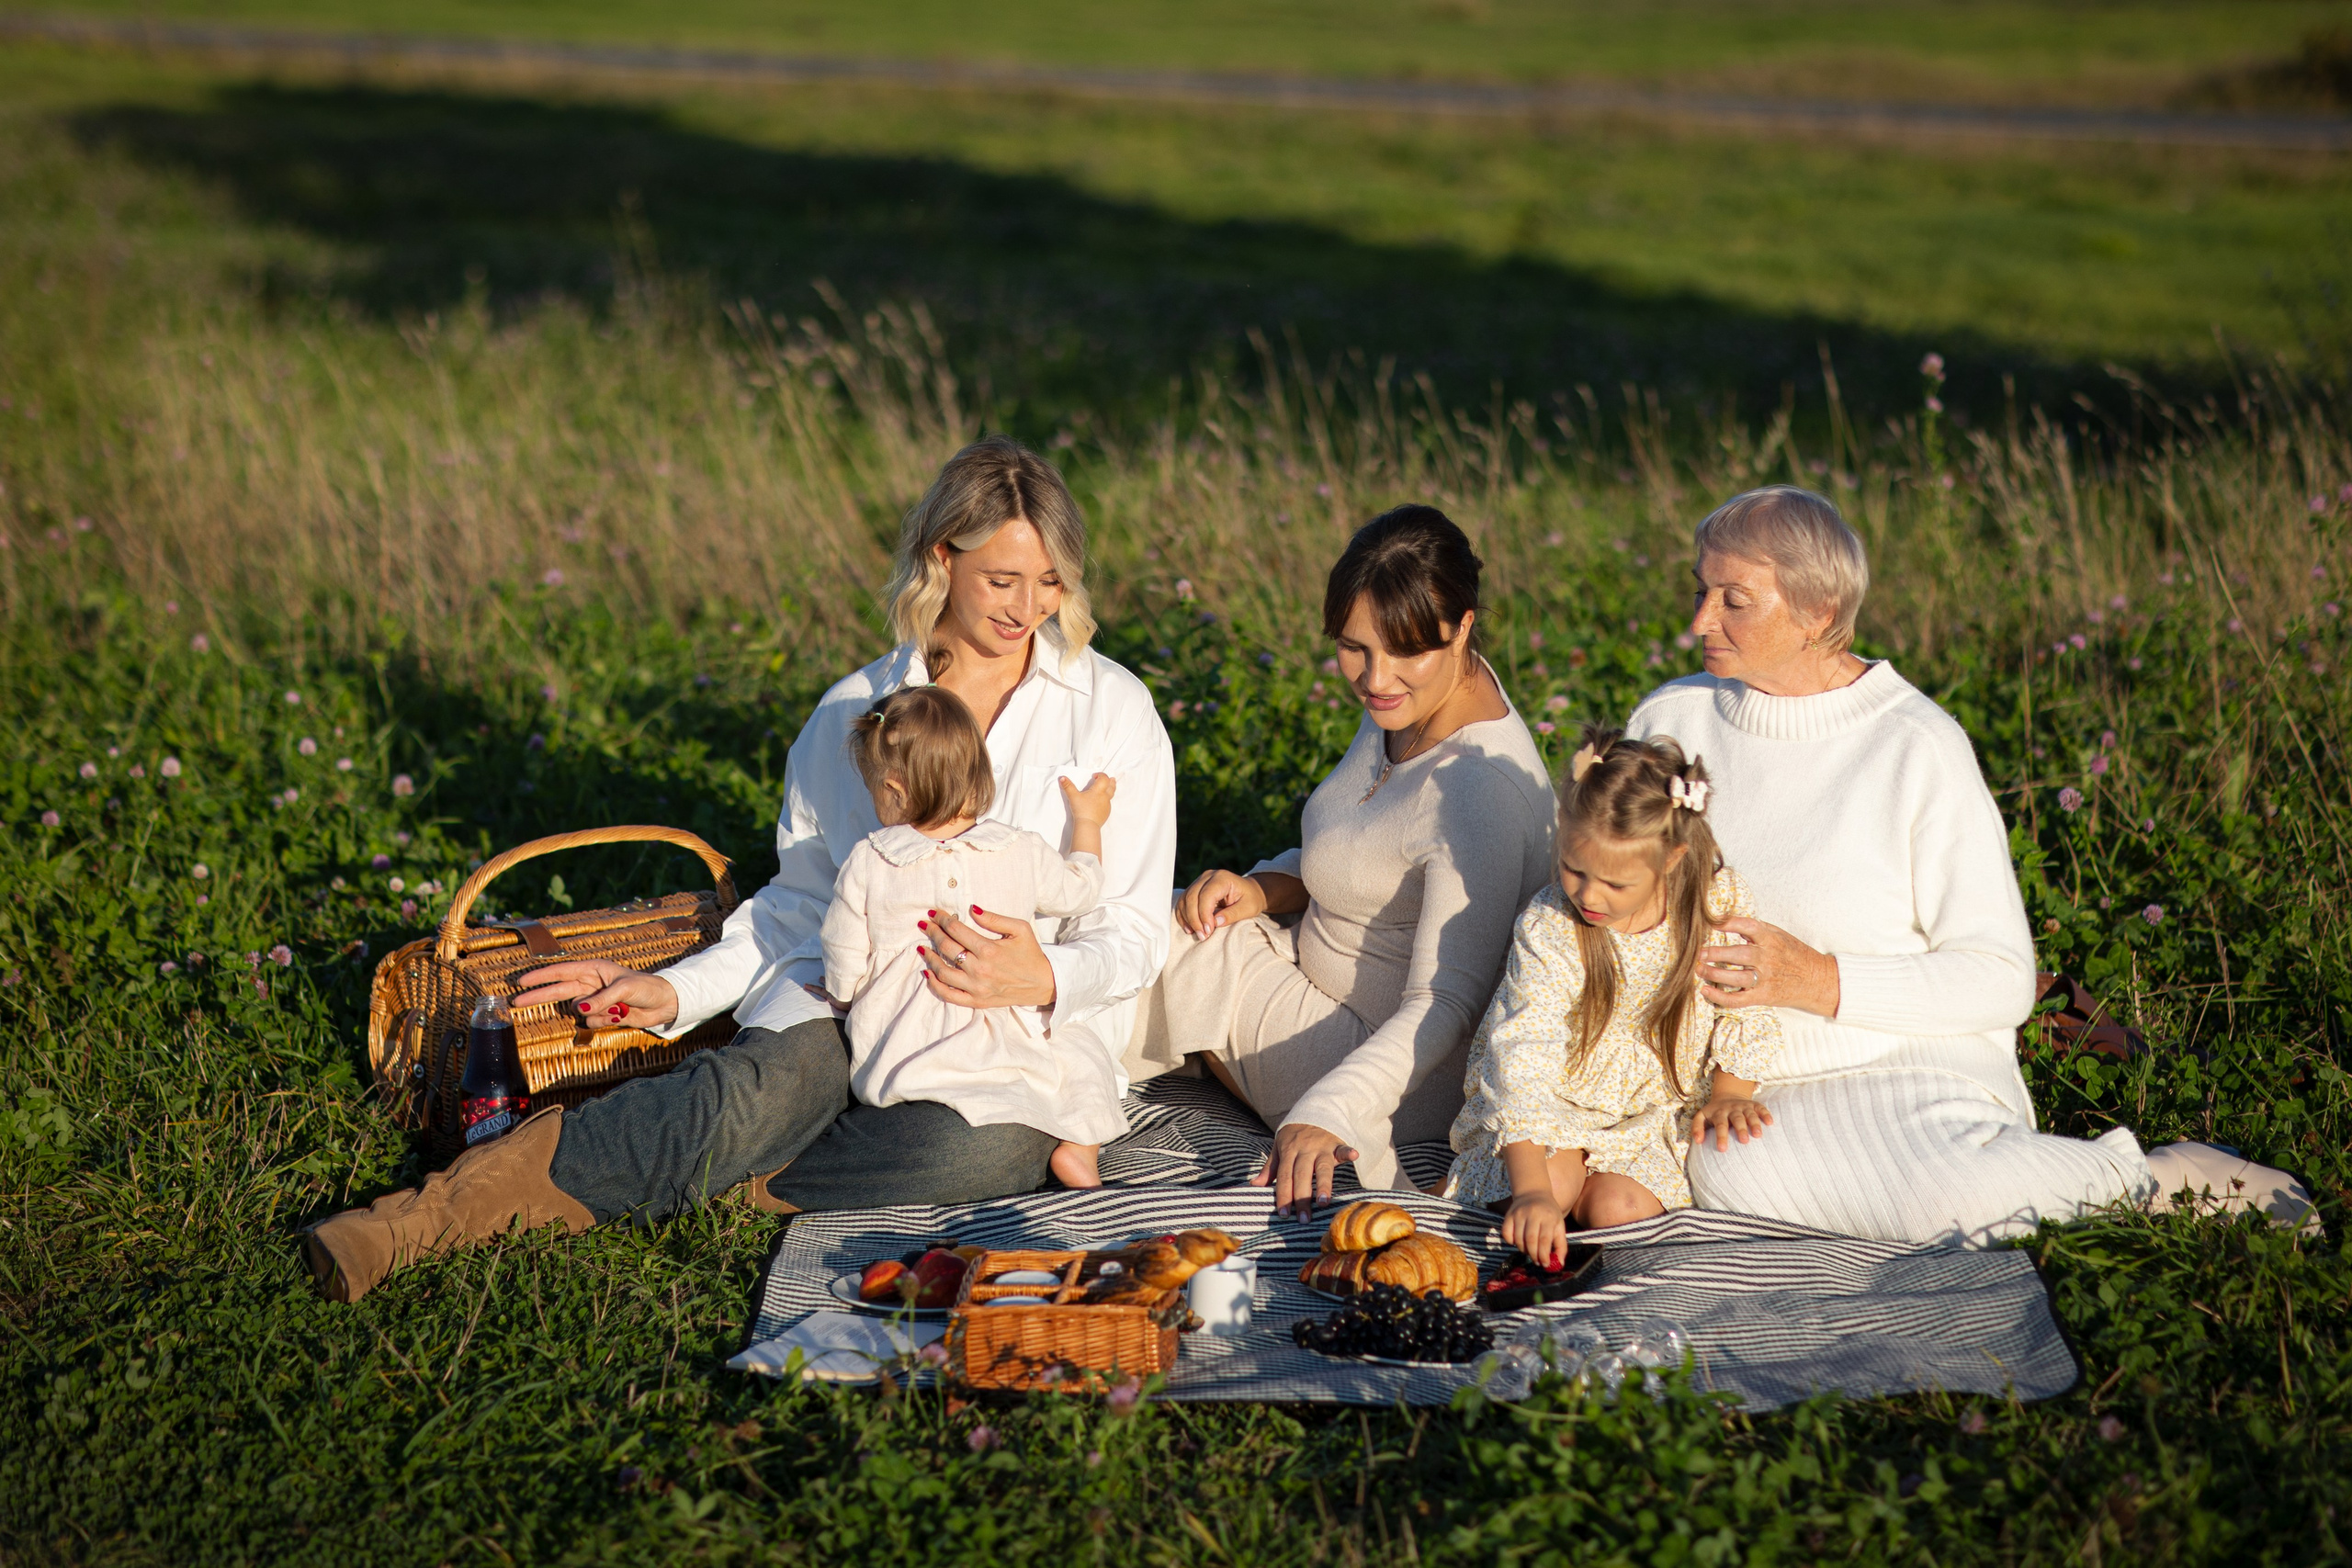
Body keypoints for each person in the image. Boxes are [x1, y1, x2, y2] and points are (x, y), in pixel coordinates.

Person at [303, 435, 1178, 1303]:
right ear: (941, 558)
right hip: (856, 995)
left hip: (1014, 1037)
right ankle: (416, 1221)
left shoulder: (1112, 713)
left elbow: (1132, 930)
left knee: (983, 1149)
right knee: (750, 1093)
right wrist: (678, 992)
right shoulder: (851, 714)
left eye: (1050, 580)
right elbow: (801, 901)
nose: (1028, 608)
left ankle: (712, 1172)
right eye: (1002, 580)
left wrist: (1045, 972)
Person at [1625, 484, 2315, 1245]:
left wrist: (1814, 979)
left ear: (1818, 611)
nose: (1699, 621)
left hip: (1909, 1072)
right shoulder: (1671, 720)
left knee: (1937, 1197)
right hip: (1739, 1083)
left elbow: (2000, 977)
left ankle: (2152, 1176)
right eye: (1701, 591)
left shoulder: (1915, 744)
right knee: (1721, 1170)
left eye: (1734, 599)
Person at [1129, 505, 1556, 1214]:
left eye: (1402, 651)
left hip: (1390, 1076)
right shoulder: (1409, 701)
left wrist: (1333, 1105)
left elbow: (1443, 1005)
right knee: (1165, 920)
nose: (1375, 676)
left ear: (1465, 627)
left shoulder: (1479, 792)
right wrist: (1261, 888)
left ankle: (1022, 1096)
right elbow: (1357, 850)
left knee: (1155, 941)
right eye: (1354, 647)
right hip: (1306, 973)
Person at [1442, 726, 1782, 1269]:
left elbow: (1742, 998)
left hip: (1647, 1113)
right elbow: (1524, 1054)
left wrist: (1728, 1092)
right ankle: (1522, 1195)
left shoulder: (1714, 902)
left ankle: (1575, 1206)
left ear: (1670, 859)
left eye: (1615, 885)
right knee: (1546, 1189)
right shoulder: (1552, 924)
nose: (1588, 895)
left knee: (1622, 1213)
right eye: (1574, 870)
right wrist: (1530, 1190)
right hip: (1552, 1103)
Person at [820, 685, 1125, 1190]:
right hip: (1007, 1034)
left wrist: (843, 995)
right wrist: (1088, 822)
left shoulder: (870, 860)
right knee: (1082, 1052)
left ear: (893, 788)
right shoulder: (1019, 849)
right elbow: (1081, 891)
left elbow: (844, 951)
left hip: (909, 1046)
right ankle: (1081, 1146)